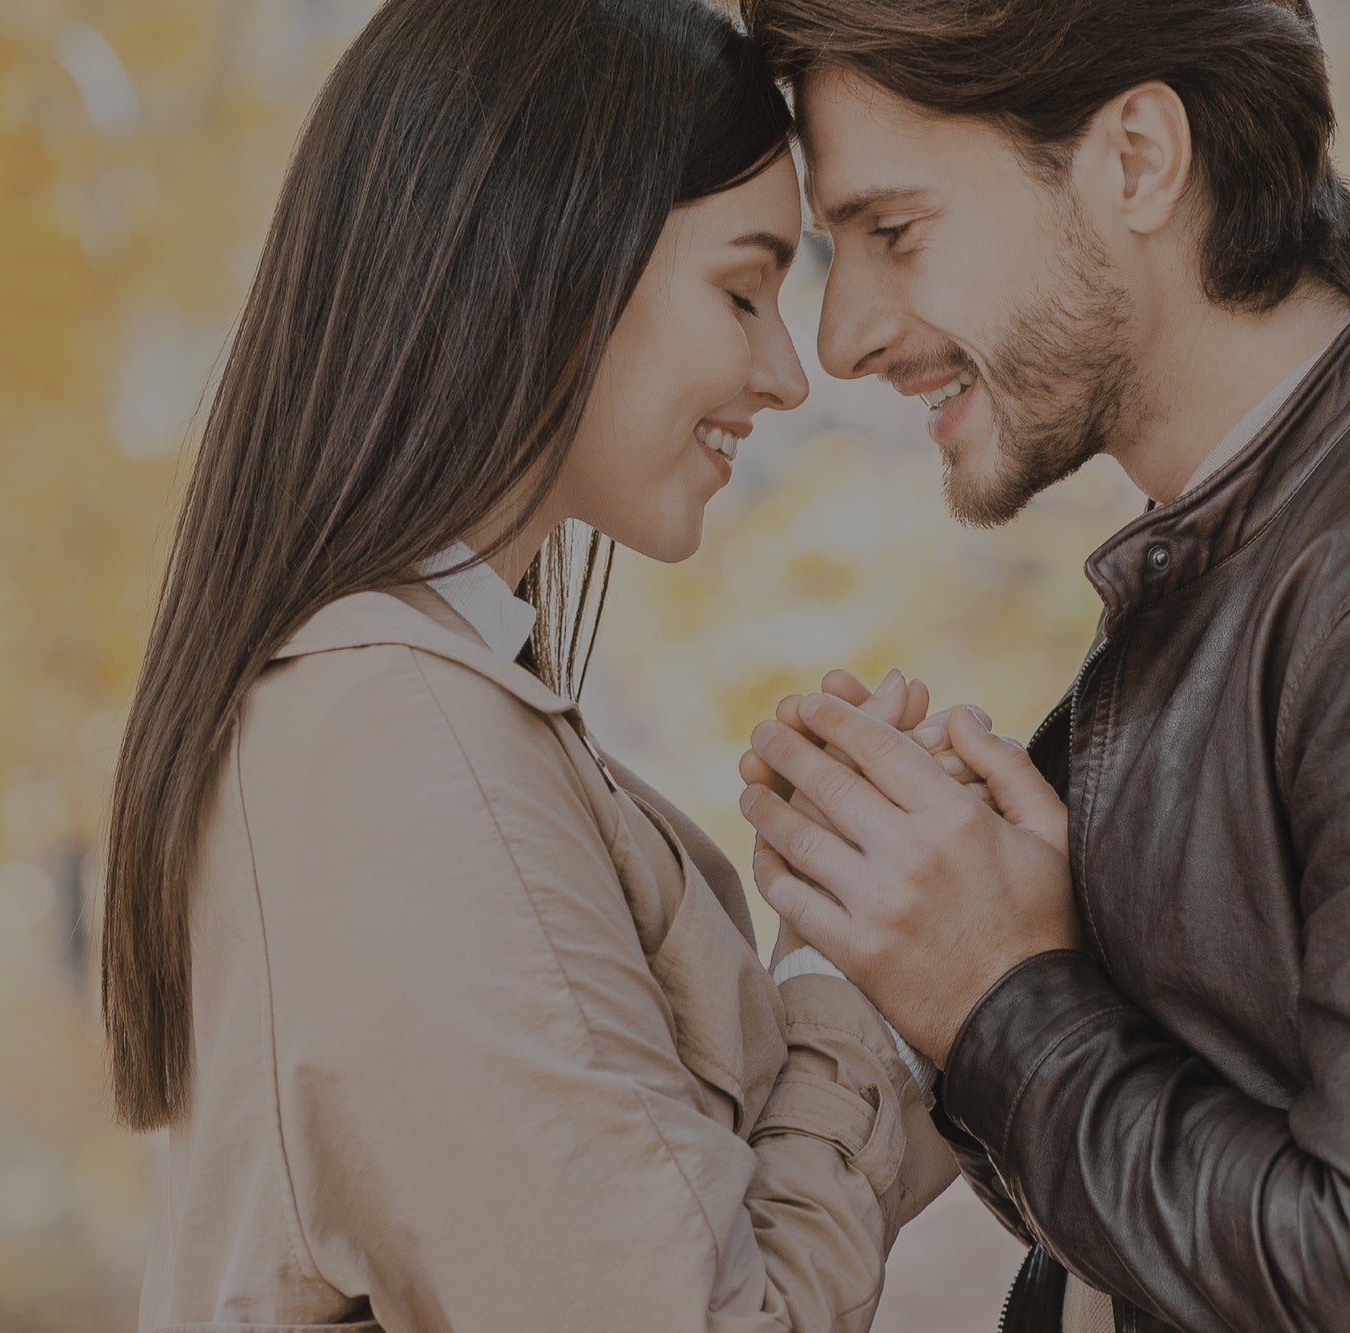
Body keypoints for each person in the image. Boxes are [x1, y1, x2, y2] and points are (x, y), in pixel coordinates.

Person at [723, 2, 1350, 1330]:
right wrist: (958, 956)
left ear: (1139, 158)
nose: (845, 334)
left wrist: (1000, 999)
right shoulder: (1251, 551)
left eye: (894, 233)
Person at [105, 1, 963, 1329]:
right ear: (549, 258)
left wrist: (945, 967)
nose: (786, 371)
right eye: (742, 289)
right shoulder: (391, 747)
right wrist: (842, 970)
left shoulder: (415, 712)